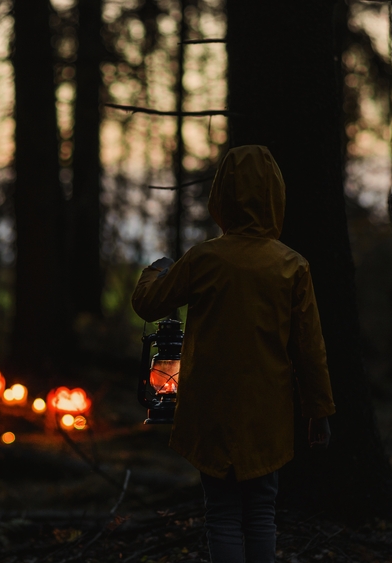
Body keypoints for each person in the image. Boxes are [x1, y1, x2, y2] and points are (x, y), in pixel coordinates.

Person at [132, 145, 334, 563]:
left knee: (221, 513)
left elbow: (150, 305)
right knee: (261, 511)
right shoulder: (292, 266)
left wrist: (157, 269)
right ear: (276, 197)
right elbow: (310, 349)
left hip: (211, 408)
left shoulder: (203, 259)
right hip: (268, 410)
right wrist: (319, 411)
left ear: (220, 197)